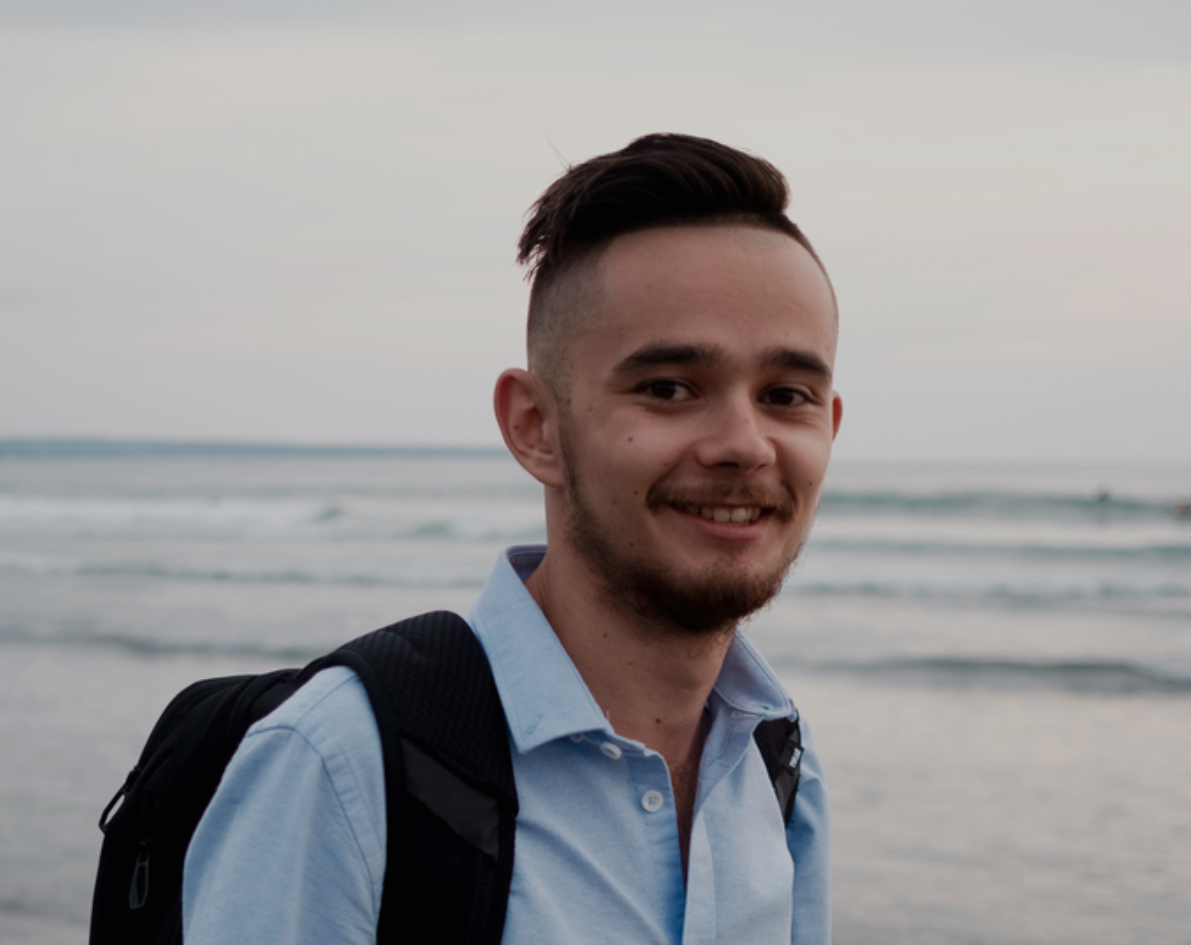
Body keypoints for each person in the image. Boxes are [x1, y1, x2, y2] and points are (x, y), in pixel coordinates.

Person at [182, 133, 842, 943]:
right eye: (669, 387)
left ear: (831, 424)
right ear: (535, 426)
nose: (744, 443)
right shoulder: (344, 762)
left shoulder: (777, 764)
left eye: (787, 394)